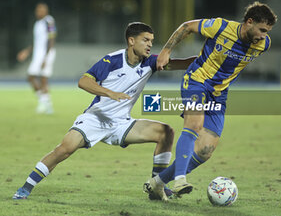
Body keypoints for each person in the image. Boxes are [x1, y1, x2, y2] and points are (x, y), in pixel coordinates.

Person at [13, 22, 195, 200]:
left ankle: (157, 186)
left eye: (151, 41)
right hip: (95, 118)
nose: (149, 44)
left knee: (166, 132)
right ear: (131, 41)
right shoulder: (112, 60)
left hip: (122, 123)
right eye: (145, 40)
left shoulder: (151, 62)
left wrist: (207, 58)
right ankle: (26, 187)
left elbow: (181, 64)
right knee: (64, 149)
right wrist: (110, 93)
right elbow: (83, 81)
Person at [144, 1, 277, 201]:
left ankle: (157, 183)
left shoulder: (263, 45)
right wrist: (165, 52)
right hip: (197, 80)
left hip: (219, 94)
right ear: (249, 22)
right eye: (262, 30)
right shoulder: (221, 27)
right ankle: (180, 180)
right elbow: (187, 26)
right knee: (194, 124)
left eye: (267, 32)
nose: (263, 36)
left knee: (205, 150)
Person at [17, 2, 57, 114]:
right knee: (32, 77)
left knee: (41, 78)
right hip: (38, 54)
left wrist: (46, 57)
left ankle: (44, 104)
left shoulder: (49, 21)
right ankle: (46, 103)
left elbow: (52, 39)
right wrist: (27, 51)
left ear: (46, 11)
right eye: (37, 10)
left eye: (41, 10)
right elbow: (37, 42)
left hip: (46, 54)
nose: (38, 12)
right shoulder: (37, 23)